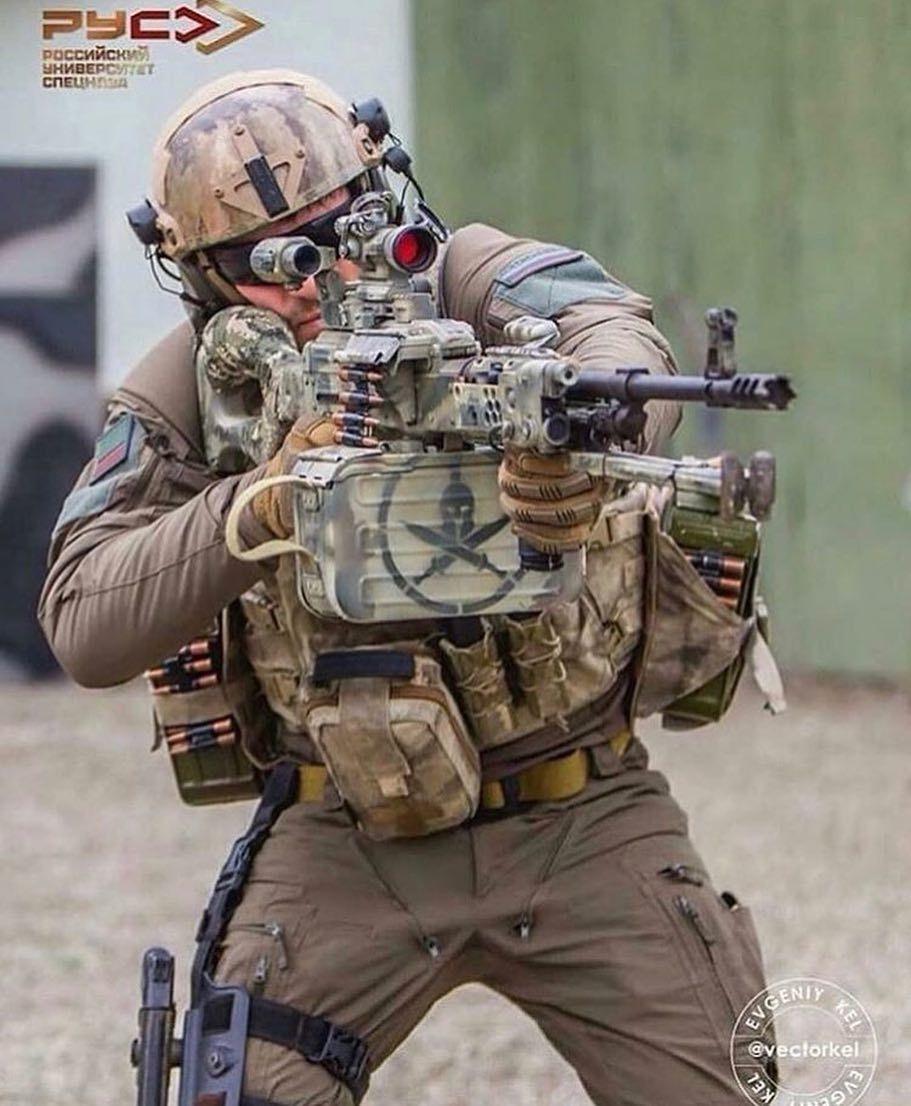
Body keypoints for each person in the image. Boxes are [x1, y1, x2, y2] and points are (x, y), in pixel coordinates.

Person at [39, 70, 773, 1105]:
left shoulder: (471, 274)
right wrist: (256, 504)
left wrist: (575, 447)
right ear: (200, 275)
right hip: (344, 831)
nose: (313, 279)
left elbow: (617, 342)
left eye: (335, 230)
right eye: (263, 263)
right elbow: (83, 620)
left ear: (381, 194)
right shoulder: (188, 386)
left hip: (578, 807)